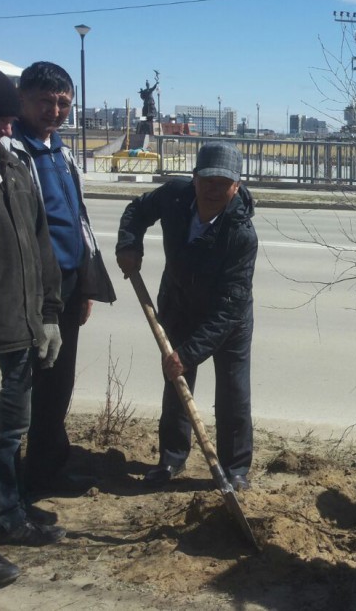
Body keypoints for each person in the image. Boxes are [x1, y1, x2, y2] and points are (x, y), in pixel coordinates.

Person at [0, 65, 66, 588]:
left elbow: (40, 243)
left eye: (8, 119)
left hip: (21, 334)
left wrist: (48, 313)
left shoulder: (13, 167)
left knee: (8, 438)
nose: (7, 129)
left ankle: (8, 519)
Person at [115, 142, 257, 492]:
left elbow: (229, 307)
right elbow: (136, 211)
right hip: (178, 304)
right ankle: (171, 459)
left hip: (228, 320)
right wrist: (129, 245)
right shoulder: (174, 196)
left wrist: (188, 353)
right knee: (176, 386)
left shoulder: (241, 234)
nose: (213, 189)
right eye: (207, 180)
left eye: (223, 182)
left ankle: (235, 468)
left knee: (233, 391)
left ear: (236, 186)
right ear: (194, 180)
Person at [5, 61, 116, 496]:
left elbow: (78, 221)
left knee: (58, 383)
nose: (55, 110)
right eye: (45, 102)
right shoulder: (11, 151)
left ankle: (48, 471)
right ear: (22, 101)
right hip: (30, 290)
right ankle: (14, 486)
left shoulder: (62, 152)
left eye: (63, 103)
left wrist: (85, 285)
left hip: (68, 285)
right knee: (22, 390)